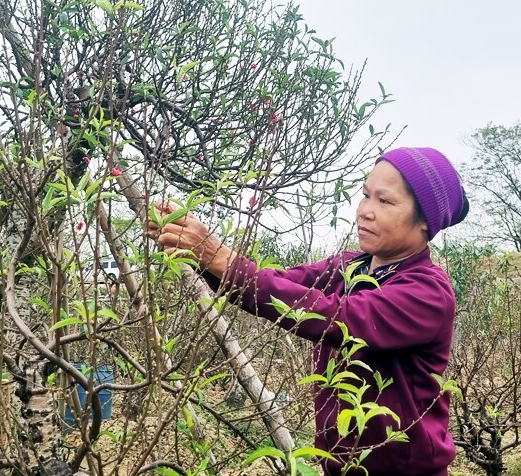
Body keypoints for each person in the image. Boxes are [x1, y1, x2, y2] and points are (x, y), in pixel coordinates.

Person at [146, 147, 469, 476]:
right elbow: (271, 288)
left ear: (426, 221)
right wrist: (196, 254)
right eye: (365, 196)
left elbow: (338, 317)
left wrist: (220, 257)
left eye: (384, 201)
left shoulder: (428, 292)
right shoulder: (347, 267)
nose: (365, 211)